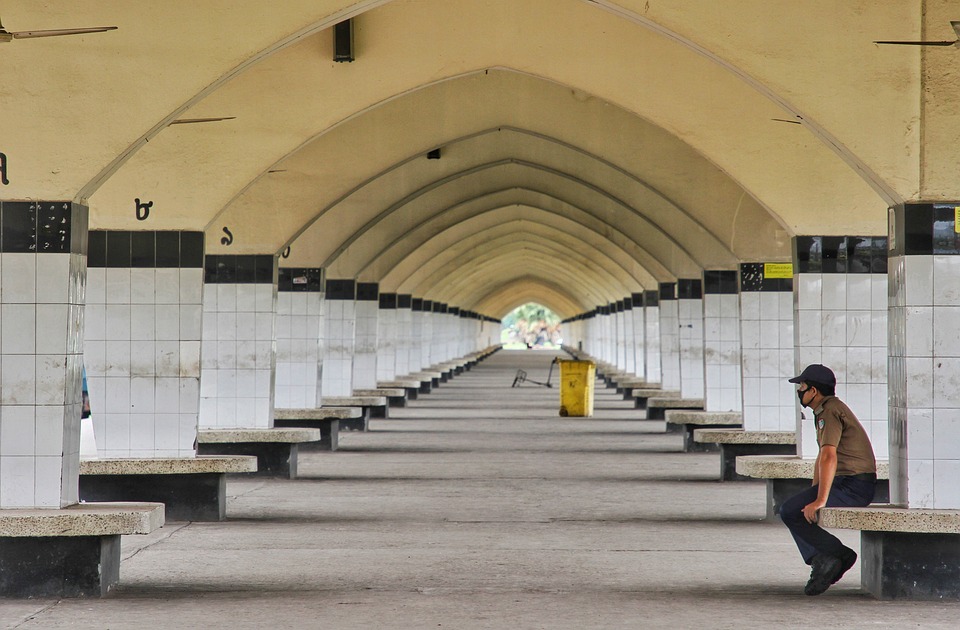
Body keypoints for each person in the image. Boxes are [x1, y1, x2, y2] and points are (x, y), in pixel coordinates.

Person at [780, 364, 877, 596]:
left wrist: (820, 500)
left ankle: (835, 555)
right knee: (793, 508)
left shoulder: (829, 412)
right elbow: (822, 457)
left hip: (854, 486)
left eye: (802, 387)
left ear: (813, 391)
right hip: (848, 483)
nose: (799, 391)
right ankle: (824, 558)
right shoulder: (827, 409)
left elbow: (828, 456)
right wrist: (815, 491)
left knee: (790, 511)